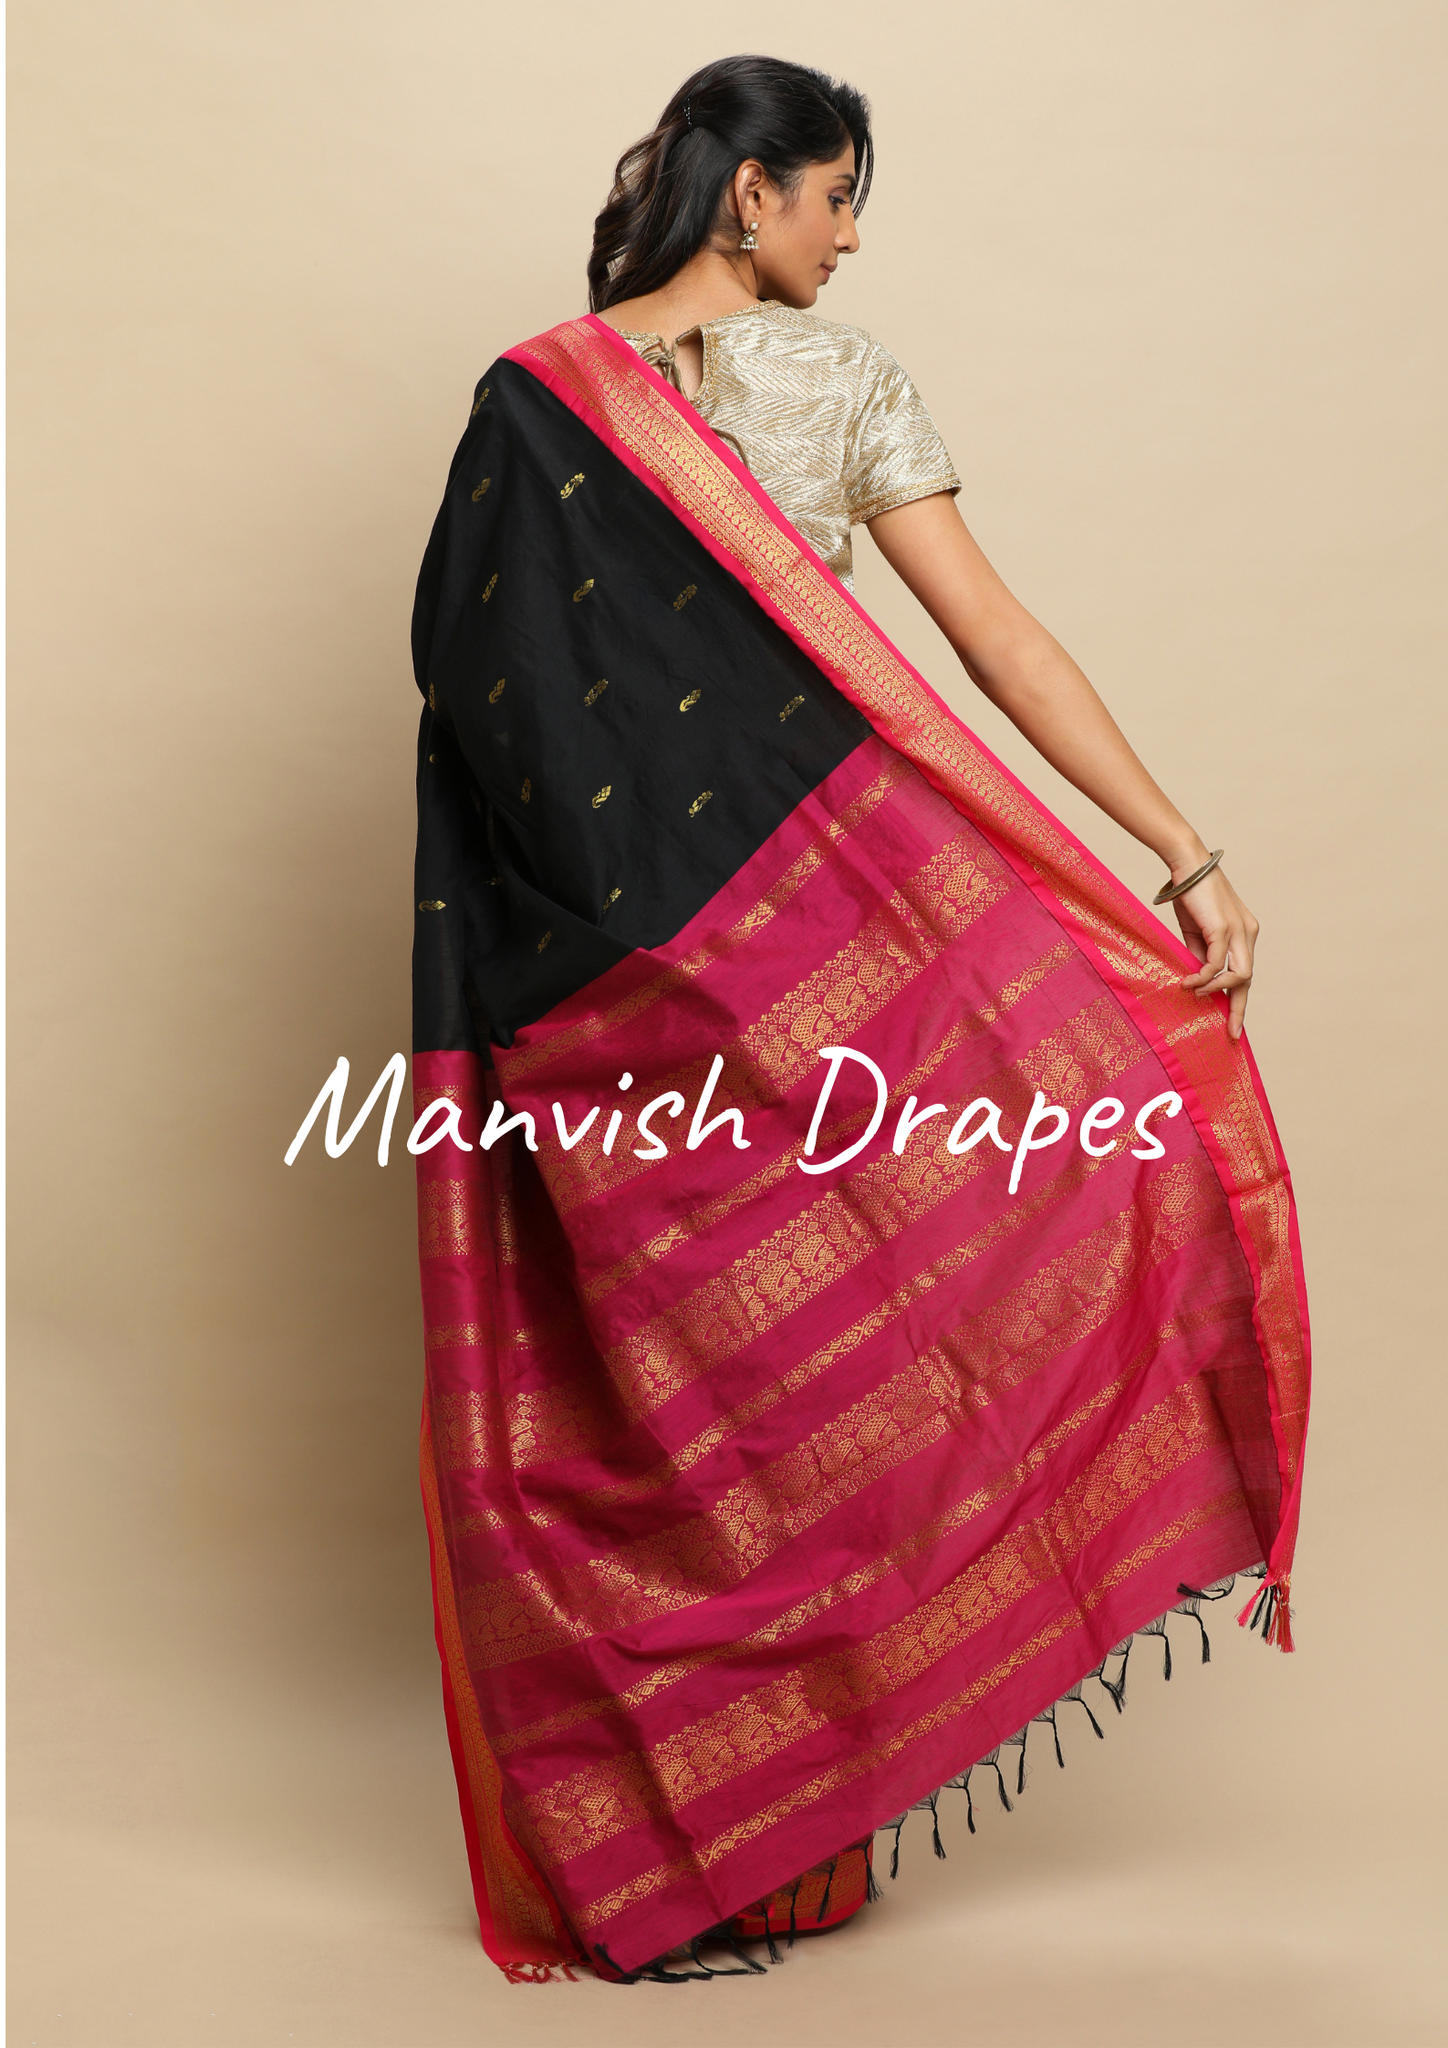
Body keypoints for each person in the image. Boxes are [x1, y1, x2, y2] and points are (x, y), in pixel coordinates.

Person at [408, 55, 1309, 1985]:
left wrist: (1178, 843)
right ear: (750, 197)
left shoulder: (544, 395)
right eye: (833, 195)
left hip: (624, 966)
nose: (850, 233)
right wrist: (1182, 859)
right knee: (801, 1374)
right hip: (804, 939)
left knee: (724, 1386)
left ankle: (773, 1817)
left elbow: (479, 694)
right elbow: (994, 643)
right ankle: (749, 1826)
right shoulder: (601, 399)